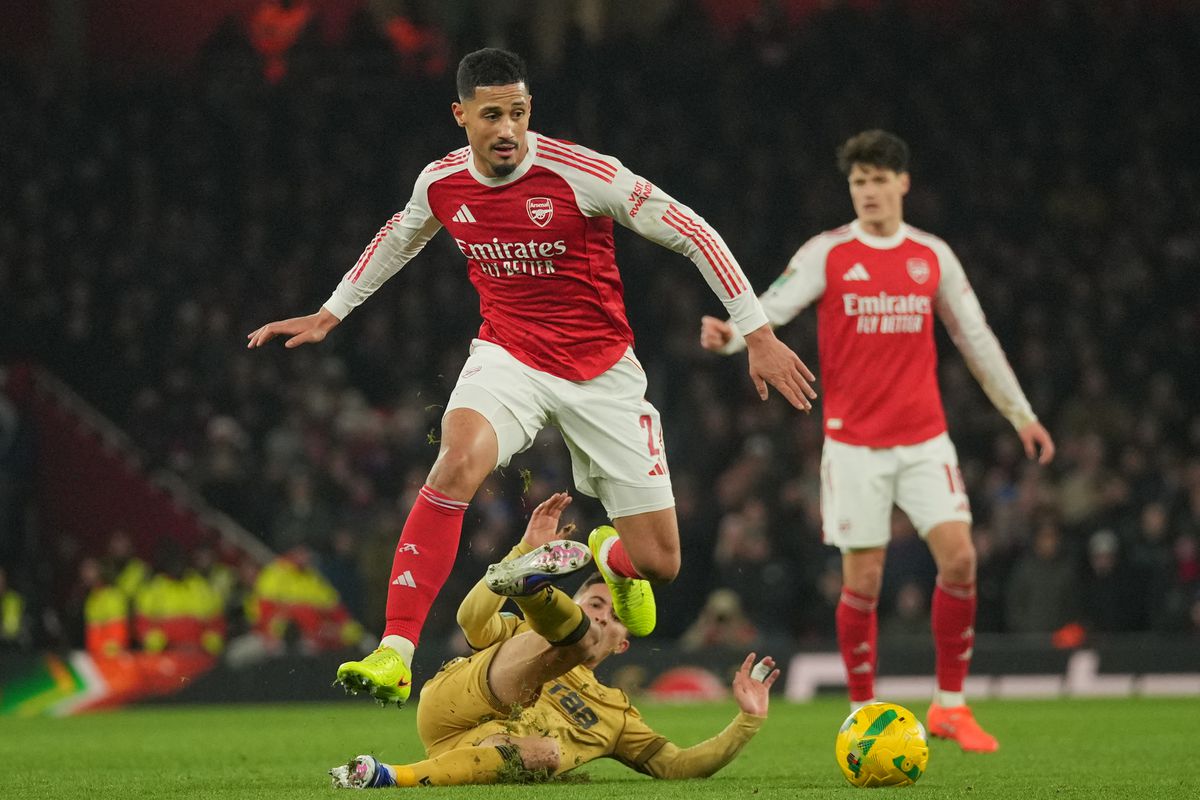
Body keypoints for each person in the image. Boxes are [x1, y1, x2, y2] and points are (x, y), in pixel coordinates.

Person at [248, 47, 815, 705]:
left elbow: (693, 231)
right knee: (456, 462)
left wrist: (759, 333)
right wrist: (330, 312)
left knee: (660, 562)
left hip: (602, 375)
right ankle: (395, 650)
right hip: (507, 358)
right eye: (492, 114)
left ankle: (614, 557)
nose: (507, 128)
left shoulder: (583, 173)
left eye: (518, 111)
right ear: (461, 115)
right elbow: (400, 236)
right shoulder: (441, 183)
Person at [700, 130, 1056, 752]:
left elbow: (975, 337)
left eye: (877, 179)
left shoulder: (932, 256)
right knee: (862, 583)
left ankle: (950, 705)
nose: (867, 191)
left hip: (924, 441)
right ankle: (863, 714)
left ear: (902, 183)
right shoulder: (829, 253)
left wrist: (1020, 415)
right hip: (854, 446)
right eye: (858, 181)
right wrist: (732, 337)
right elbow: (774, 305)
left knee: (962, 559)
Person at [329, 493, 780, 788]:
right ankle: (527, 586)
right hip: (452, 705)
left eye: (611, 613)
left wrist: (747, 722)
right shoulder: (522, 633)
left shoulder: (616, 716)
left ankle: (387, 777)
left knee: (547, 753)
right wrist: (520, 551)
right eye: (593, 602)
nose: (601, 612)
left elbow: (678, 765)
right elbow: (471, 622)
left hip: (483, 748)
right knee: (569, 643)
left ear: (624, 644)